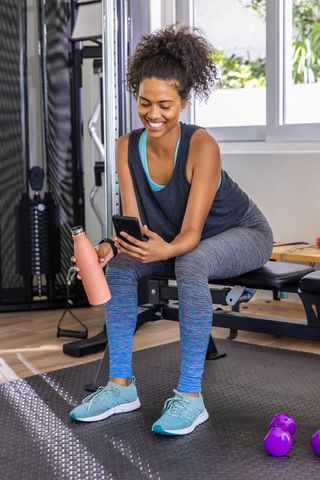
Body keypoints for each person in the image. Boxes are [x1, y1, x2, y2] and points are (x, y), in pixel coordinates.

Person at [69, 25, 273, 436]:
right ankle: (121, 385)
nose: (154, 115)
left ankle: (191, 398)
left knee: (191, 261)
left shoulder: (203, 147)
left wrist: (162, 251)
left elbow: (191, 236)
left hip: (241, 233)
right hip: (181, 240)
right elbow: (137, 226)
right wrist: (110, 247)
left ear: (184, 100)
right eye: (145, 103)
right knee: (122, 269)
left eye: (165, 104)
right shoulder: (126, 147)